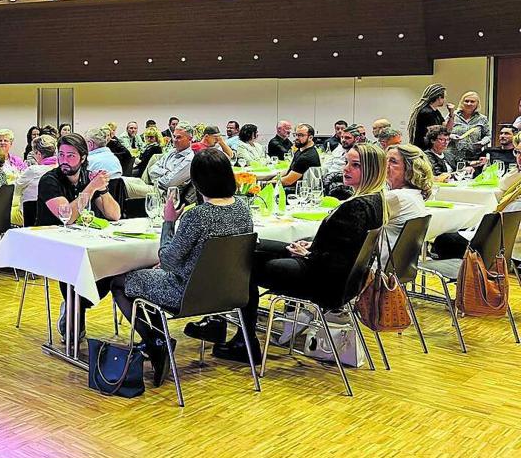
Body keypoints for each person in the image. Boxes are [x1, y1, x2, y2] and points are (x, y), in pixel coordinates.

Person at [214, 144, 387, 362]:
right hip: (343, 279)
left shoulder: (357, 207)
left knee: (246, 264)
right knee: (253, 246)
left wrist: (308, 255)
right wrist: (311, 248)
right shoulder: (375, 201)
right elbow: (345, 246)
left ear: (372, 170)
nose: (346, 169)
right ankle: (233, 330)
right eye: (346, 163)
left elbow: (337, 260)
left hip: (325, 282)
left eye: (355, 165)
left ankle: (244, 339)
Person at [111, 149, 253, 386]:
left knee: (119, 282)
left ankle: (157, 341)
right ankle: (156, 339)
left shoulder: (197, 216)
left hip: (187, 294)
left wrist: (168, 222)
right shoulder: (242, 208)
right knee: (147, 278)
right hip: (229, 293)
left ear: (196, 181)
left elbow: (168, 260)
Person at [36, 134, 121, 340]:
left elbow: (114, 214)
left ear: (83, 157)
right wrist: (91, 188)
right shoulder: (49, 180)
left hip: (85, 241)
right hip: (51, 243)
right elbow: (68, 216)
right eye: (61, 155)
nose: (64, 160)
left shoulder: (87, 176)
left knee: (115, 267)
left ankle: (76, 306)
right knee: (74, 264)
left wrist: (101, 188)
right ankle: (74, 312)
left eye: (71, 156)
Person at [432, 130, 521, 261]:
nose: (519, 157)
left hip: (500, 248)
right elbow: (503, 184)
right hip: (505, 245)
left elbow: (503, 184)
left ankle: (469, 278)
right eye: (517, 152)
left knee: (443, 240)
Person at [384, 144, 433, 263]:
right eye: (385, 160)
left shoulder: (397, 197)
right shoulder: (415, 194)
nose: (385, 165)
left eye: (393, 161)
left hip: (378, 268)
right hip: (399, 268)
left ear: (410, 169)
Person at [14, 135, 58, 226]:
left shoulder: (33, 170)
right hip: (54, 217)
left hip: (32, 216)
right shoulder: (60, 169)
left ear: (38, 153)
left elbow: (15, 189)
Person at [408, 83, 455, 149]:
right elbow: (437, 134)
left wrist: (451, 114)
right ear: (439, 98)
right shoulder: (426, 112)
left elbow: (447, 129)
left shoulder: (436, 111)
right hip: (425, 149)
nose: (445, 100)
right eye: (444, 97)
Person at [149, 126, 194, 191]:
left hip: (164, 193)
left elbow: (168, 184)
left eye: (178, 137)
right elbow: (151, 170)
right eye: (174, 136)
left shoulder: (189, 159)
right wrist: (167, 172)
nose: (175, 140)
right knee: (129, 180)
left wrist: (157, 175)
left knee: (128, 186)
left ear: (190, 139)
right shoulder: (171, 151)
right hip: (153, 186)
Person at [450, 91, 490, 162]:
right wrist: (451, 136)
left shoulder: (482, 119)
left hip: (474, 156)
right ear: (462, 102)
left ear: (477, 103)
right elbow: (444, 132)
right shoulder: (453, 116)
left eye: (472, 101)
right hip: (453, 155)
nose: (469, 104)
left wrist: (482, 142)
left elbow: (488, 136)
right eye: (466, 101)